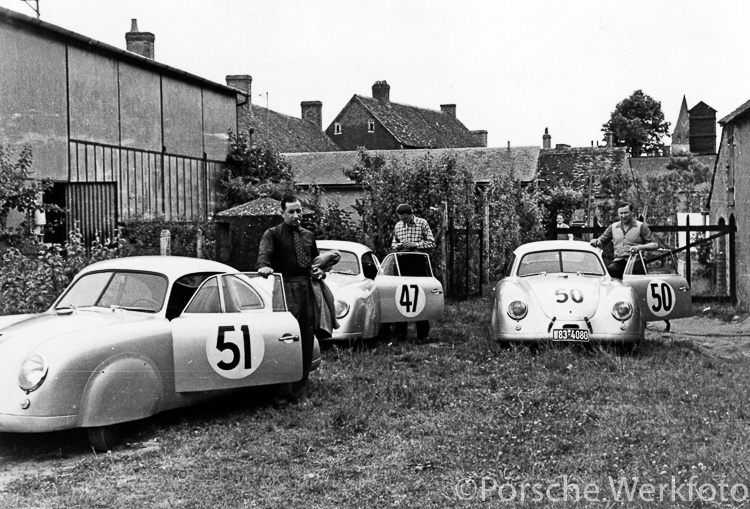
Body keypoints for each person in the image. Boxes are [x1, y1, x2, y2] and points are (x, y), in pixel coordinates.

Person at [257, 195, 323, 406]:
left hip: (307, 288)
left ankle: (299, 393)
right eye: (291, 212)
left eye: (299, 211)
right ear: (282, 213)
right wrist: (264, 266)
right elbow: (264, 255)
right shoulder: (272, 234)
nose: (296, 216)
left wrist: (320, 271)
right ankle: (280, 394)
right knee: (284, 339)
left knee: (305, 337)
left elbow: (315, 262)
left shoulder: (308, 235)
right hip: (285, 288)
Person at [391, 203, 436, 342]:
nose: (403, 221)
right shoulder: (398, 226)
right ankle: (400, 335)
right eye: (401, 219)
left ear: (411, 214)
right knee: (401, 295)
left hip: (418, 262)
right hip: (401, 262)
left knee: (419, 295)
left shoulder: (422, 223)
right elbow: (393, 244)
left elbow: (431, 243)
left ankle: (423, 334)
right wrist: (399, 246)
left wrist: (415, 245)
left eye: (405, 218)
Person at [590, 201, 658, 279]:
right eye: (621, 213)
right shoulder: (613, 227)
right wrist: (596, 241)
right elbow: (601, 241)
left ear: (632, 212)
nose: (623, 216)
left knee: (637, 281)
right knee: (611, 271)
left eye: (626, 213)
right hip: (619, 261)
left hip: (636, 262)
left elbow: (655, 244)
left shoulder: (641, 226)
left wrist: (639, 248)